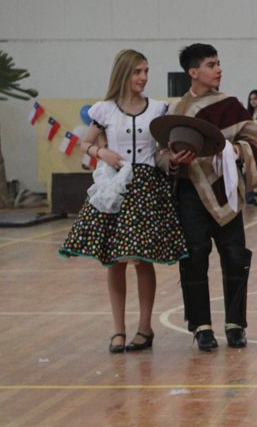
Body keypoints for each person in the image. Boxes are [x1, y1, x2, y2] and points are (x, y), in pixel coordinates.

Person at [59, 50, 188, 353]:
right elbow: (84, 142)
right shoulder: (104, 110)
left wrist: (170, 158)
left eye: (146, 71)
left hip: (146, 188)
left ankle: (145, 327)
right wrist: (100, 152)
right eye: (137, 72)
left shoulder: (158, 108)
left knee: (143, 260)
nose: (143, 77)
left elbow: (162, 150)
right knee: (114, 261)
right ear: (123, 74)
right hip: (116, 187)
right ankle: (118, 329)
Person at [160, 44, 257, 352]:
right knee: (194, 257)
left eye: (219, 63)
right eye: (211, 64)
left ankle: (235, 324)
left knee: (235, 256)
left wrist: (236, 151)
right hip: (189, 192)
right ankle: (201, 326)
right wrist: (172, 161)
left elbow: (252, 141)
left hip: (225, 190)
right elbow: (161, 152)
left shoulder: (230, 105)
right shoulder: (176, 110)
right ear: (193, 72)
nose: (218, 69)